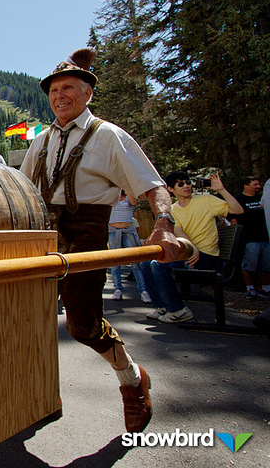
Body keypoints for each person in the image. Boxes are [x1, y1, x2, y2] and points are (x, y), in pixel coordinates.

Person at [19, 48, 180, 433]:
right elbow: (20, 187)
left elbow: (152, 184)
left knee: (84, 326)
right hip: (40, 236)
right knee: (24, 318)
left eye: (68, 88)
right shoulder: (40, 142)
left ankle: (132, 380)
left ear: (87, 93)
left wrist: (164, 222)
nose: (59, 96)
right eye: (54, 90)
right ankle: (33, 396)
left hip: (86, 236)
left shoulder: (109, 136)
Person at [141, 171, 243, 323]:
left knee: (158, 266)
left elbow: (238, 210)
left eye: (188, 182)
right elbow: (179, 231)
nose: (186, 186)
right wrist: (192, 247)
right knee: (145, 264)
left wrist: (221, 190)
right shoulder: (173, 209)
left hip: (206, 256)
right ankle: (163, 305)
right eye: (180, 184)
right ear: (171, 189)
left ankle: (178, 309)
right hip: (190, 253)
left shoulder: (206, 200)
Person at [230, 176, 270, 299]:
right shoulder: (238, 200)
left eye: (258, 184)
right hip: (249, 238)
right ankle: (249, 288)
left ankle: (266, 288)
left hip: (265, 237)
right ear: (246, 186)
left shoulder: (262, 198)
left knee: (266, 265)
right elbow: (233, 220)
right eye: (255, 185)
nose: (258, 187)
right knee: (249, 264)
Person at [108, 191, 151, 303]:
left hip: (128, 231)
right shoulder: (111, 195)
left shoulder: (128, 196)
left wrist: (126, 187)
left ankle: (143, 291)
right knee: (115, 262)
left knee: (135, 261)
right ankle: (118, 289)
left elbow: (134, 202)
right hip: (113, 231)